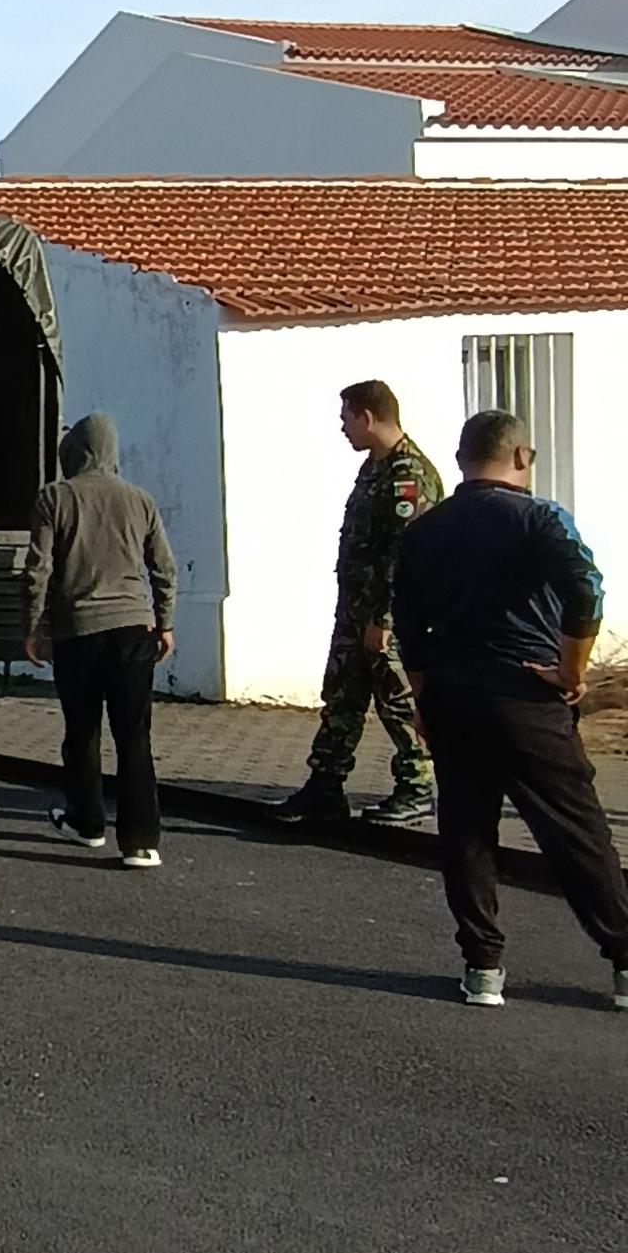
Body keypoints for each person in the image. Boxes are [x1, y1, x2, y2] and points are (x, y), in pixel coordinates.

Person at [390, 408, 624, 1011]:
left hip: (451, 692)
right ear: (520, 456)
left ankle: (483, 965)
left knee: (467, 831)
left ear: (464, 457)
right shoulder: (540, 519)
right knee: (576, 832)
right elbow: (587, 589)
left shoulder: (422, 530)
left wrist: (423, 698)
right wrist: (571, 671)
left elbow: (408, 626)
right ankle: (624, 957)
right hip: (526, 693)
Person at [270, 380, 444, 827]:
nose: (342, 427)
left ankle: (416, 787)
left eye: (346, 417)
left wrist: (383, 618)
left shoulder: (409, 474)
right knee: (342, 698)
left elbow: (405, 554)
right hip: (353, 610)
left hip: (388, 618)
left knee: (398, 702)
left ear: (368, 417)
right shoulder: (373, 467)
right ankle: (325, 786)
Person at [23, 414, 178, 869]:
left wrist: (33, 625)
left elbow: (39, 568)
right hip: (133, 629)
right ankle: (141, 842)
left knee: (82, 732)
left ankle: (87, 821)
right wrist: (164, 623)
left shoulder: (55, 497)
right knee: (134, 736)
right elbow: (163, 569)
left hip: (77, 631)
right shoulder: (140, 500)